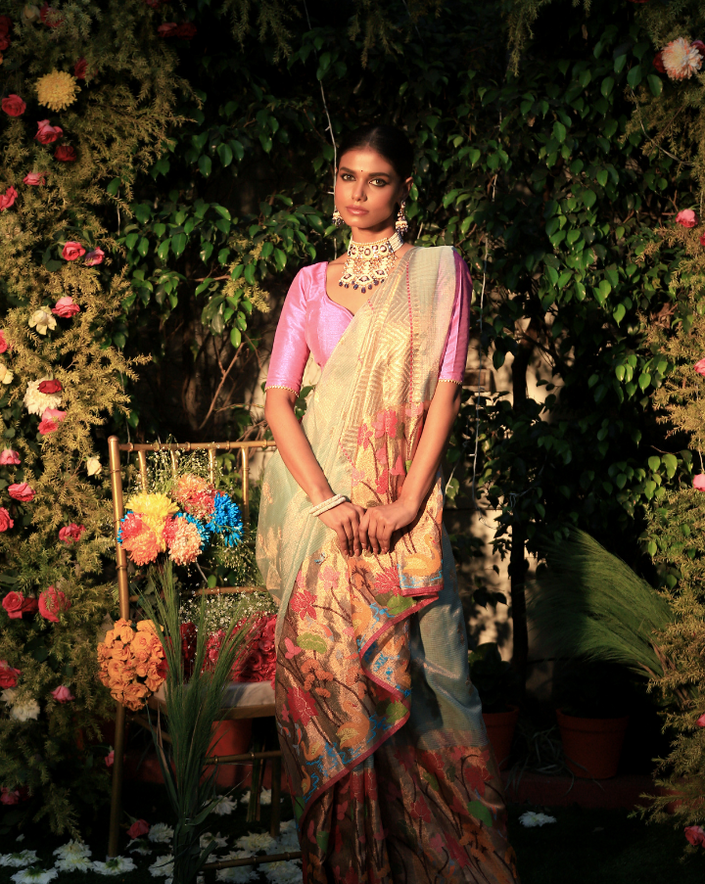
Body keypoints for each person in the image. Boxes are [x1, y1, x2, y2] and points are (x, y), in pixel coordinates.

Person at [256, 125, 519, 883]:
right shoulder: (310, 283)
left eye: (375, 181)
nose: (356, 193)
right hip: (325, 516)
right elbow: (278, 403)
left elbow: (443, 393)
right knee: (330, 682)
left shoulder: (437, 273)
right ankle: (350, 864)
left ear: (403, 190)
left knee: (437, 683)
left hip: (404, 508)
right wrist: (327, 502)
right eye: (345, 176)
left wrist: (407, 501)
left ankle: (452, 864)